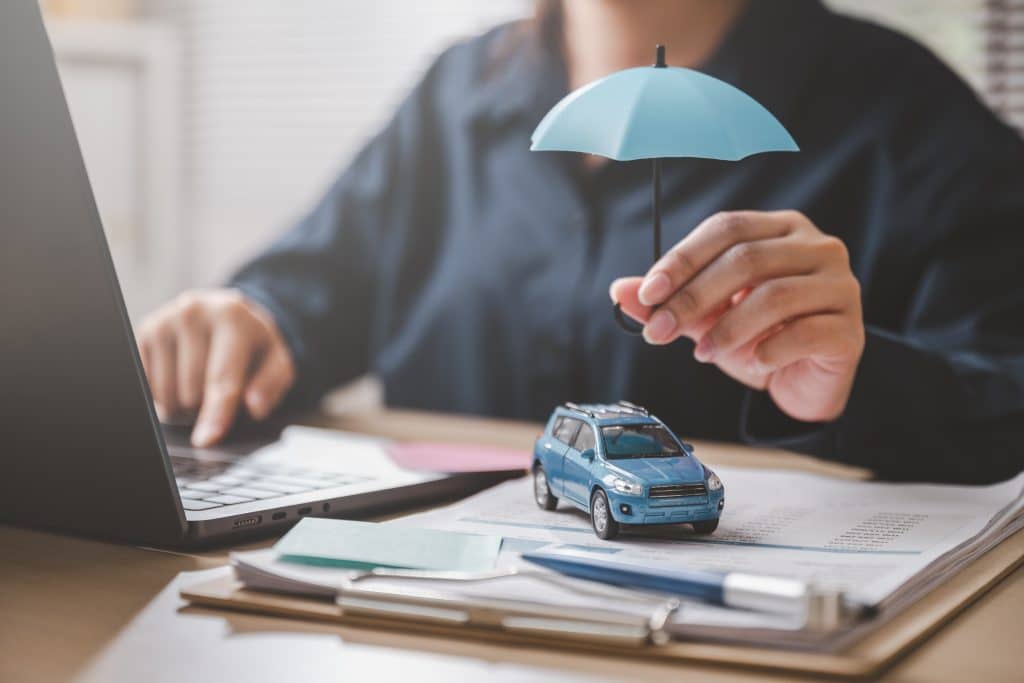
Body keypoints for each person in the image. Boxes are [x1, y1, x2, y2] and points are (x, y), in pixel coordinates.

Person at [138, 0, 1024, 483]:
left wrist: (853, 381)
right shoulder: (456, 94)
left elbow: (1005, 397)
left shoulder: (903, 113)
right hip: (433, 620)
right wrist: (244, 325)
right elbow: (305, 295)